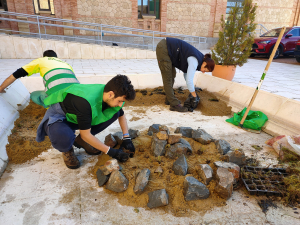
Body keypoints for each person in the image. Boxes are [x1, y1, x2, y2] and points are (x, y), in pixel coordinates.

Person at [36, 74, 136, 169]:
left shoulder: (109, 94)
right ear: (111, 94)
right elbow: (85, 134)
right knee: (62, 135)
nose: (120, 104)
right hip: (60, 116)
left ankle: (80, 141)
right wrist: (111, 152)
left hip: (78, 116)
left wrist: (127, 138)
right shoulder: (85, 102)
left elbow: (120, 114)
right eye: (119, 101)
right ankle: (67, 150)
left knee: (115, 113)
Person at [0, 50, 79, 108]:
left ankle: (52, 108)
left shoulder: (41, 60)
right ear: (56, 57)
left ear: (44, 57)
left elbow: (16, 74)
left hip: (58, 98)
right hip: (77, 94)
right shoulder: (66, 64)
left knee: (34, 95)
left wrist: (1, 88)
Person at [156, 37, 215, 112]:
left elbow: (186, 76)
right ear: (204, 64)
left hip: (168, 49)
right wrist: (194, 95)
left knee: (172, 74)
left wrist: (192, 91)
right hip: (164, 48)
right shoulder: (195, 61)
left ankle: (169, 99)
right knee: (168, 77)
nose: (203, 72)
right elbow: (189, 80)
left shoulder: (199, 59)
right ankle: (174, 104)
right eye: (205, 70)